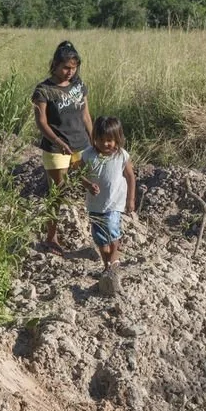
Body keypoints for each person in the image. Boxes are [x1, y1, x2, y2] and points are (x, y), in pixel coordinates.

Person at [31, 40, 93, 255]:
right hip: (56, 148)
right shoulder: (44, 90)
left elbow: (85, 115)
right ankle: (51, 237)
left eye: (73, 67)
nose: (70, 72)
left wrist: (93, 139)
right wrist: (58, 142)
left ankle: (97, 233)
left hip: (81, 144)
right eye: (66, 67)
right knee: (58, 192)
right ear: (55, 65)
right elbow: (42, 123)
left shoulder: (79, 85)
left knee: (90, 184)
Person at [71, 116, 136, 272]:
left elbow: (130, 177)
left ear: (117, 139)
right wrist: (87, 184)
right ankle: (108, 264)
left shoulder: (121, 155)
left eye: (109, 140)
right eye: (100, 140)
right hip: (95, 204)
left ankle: (114, 259)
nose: (105, 144)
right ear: (94, 138)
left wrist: (131, 199)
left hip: (114, 203)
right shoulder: (88, 154)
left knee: (112, 229)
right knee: (99, 238)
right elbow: (77, 173)